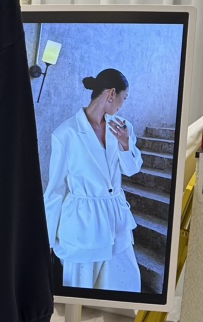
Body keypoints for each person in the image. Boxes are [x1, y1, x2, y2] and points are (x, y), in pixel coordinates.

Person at [43, 68, 144, 292]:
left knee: (126, 284)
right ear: (111, 94)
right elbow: (55, 190)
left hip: (116, 221)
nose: (123, 104)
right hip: (82, 225)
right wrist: (47, 240)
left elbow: (131, 170)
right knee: (82, 291)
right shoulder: (65, 134)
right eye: (124, 97)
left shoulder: (123, 127)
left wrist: (126, 143)